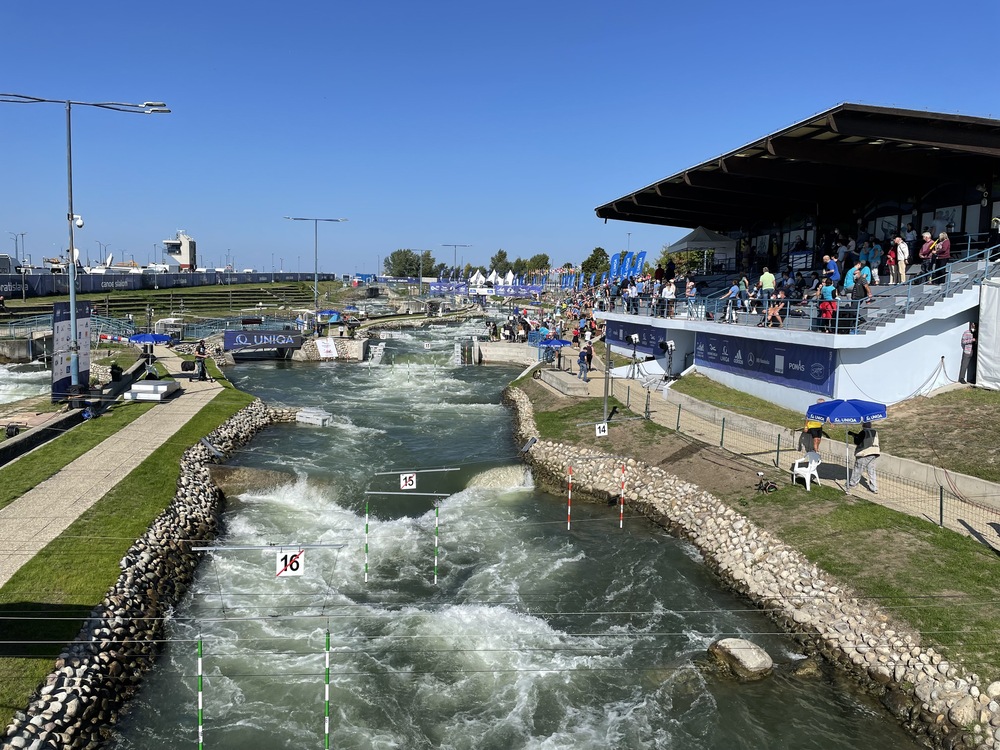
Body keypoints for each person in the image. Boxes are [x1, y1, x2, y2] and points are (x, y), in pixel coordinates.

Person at [846, 421, 880, 494]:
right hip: (874, 452)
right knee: (871, 471)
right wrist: (854, 434)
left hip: (864, 453)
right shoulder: (874, 431)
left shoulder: (863, 432)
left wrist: (854, 437)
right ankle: (874, 488)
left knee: (858, 468)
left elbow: (858, 441)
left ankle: (853, 483)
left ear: (863, 425)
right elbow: (865, 438)